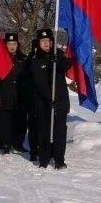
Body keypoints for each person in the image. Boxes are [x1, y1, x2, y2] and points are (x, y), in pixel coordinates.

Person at [28, 28, 74, 169]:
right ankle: (44, 159)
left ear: (52, 42)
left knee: (60, 132)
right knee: (44, 132)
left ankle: (59, 160)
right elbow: (39, 82)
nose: (46, 43)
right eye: (43, 41)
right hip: (44, 103)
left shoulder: (58, 54)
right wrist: (49, 98)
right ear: (39, 43)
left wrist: (57, 60)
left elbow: (67, 64)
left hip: (60, 102)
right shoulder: (35, 59)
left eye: (48, 40)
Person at [0, 32, 26, 154]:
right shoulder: (1, 59)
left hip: (20, 95)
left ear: (18, 45)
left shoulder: (23, 59)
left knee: (20, 121)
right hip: (5, 95)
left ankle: (18, 144)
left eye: (14, 44)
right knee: (6, 122)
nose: (12, 46)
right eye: (9, 44)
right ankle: (6, 144)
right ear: (5, 45)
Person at [23, 37, 40, 162]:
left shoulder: (46, 59)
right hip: (31, 100)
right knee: (33, 127)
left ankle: (42, 149)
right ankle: (34, 151)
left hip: (43, 100)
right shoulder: (29, 60)